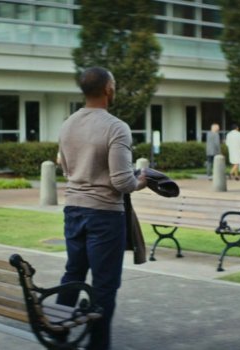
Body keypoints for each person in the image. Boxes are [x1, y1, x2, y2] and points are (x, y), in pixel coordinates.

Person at [56, 66, 147, 350]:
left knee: (73, 274)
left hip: (73, 210)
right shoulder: (116, 127)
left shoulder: (67, 124)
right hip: (105, 216)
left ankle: (57, 333)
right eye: (115, 84)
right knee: (104, 286)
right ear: (108, 89)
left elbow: (66, 168)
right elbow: (122, 182)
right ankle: (98, 346)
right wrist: (143, 179)